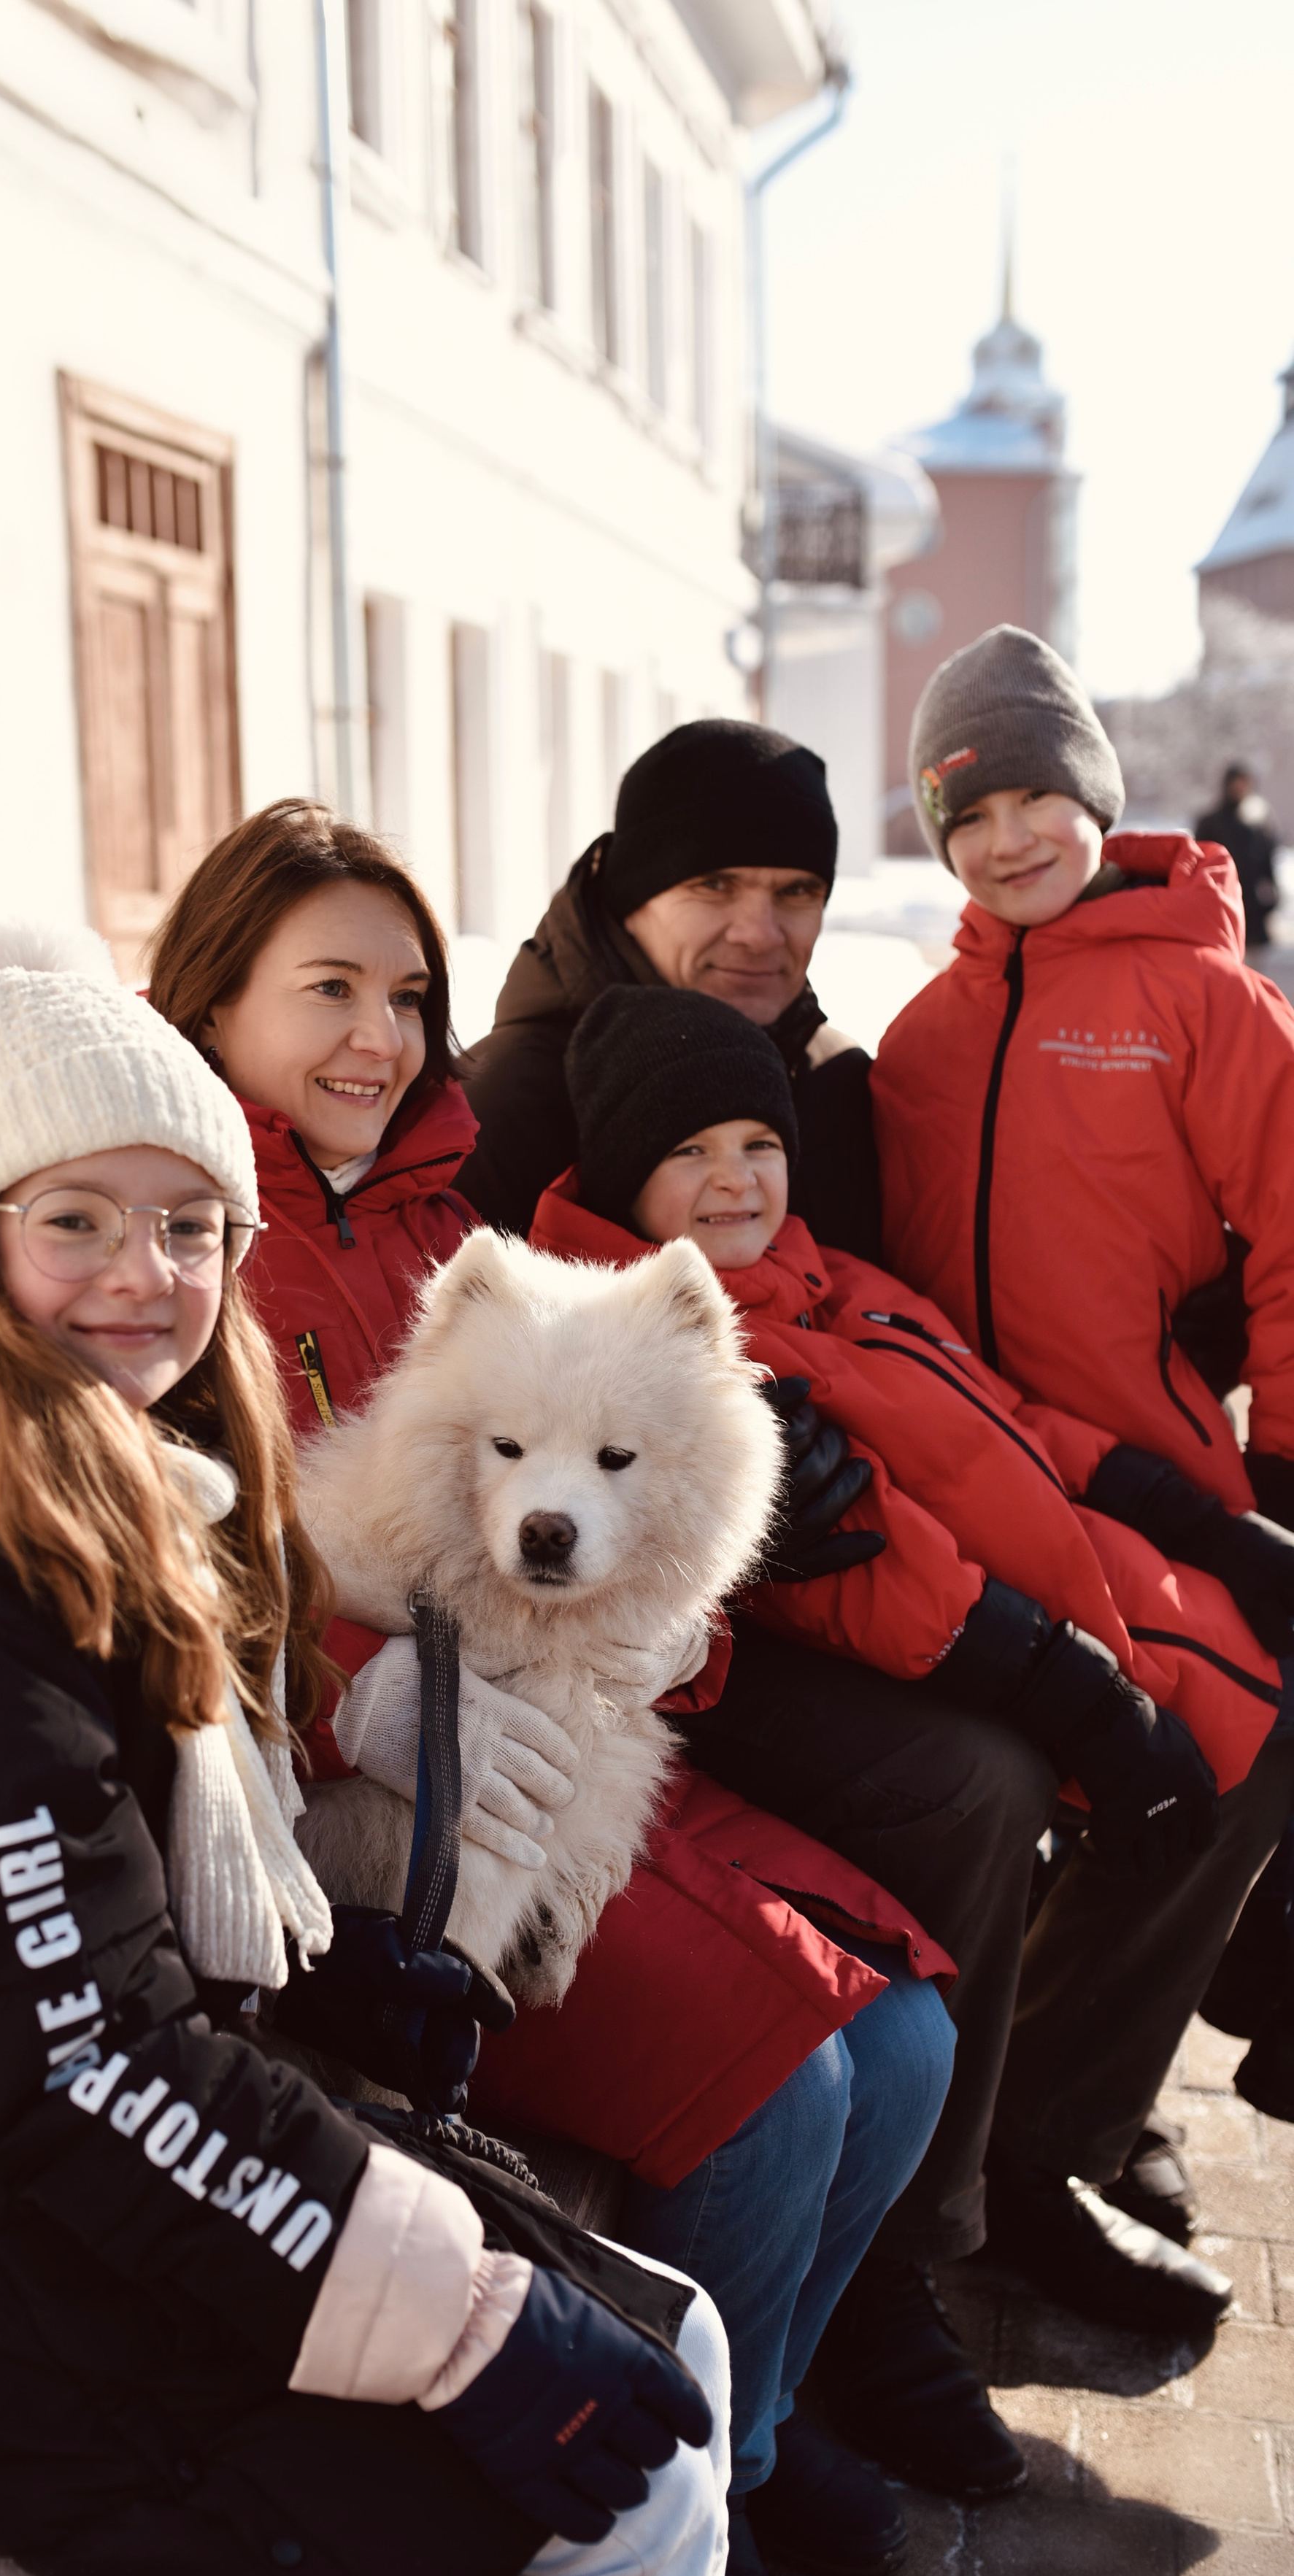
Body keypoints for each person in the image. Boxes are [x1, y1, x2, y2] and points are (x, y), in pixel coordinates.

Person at [0, 926, 816, 2576]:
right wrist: (466, 2327)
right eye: (77, 1221)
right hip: (12, 2300)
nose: (147, 1278)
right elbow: (73, 2073)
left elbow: (109, 1932)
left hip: (104, 2204)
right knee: (617, 2466)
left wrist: (327, 1972)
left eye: (192, 1225)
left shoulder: (108, 1482)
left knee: (670, 2334)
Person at [147, 803, 962, 2576]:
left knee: (902, 2031)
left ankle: (746, 2421)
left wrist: (679, 1640)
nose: (378, 1035)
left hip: (562, 1755)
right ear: (216, 1002)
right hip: (372, 1818)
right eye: (326, 988)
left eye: (407, 993)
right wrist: (350, 1682)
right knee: (779, 2090)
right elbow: (169, 1558)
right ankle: (693, 2505)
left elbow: (635, 1482)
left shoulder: (444, 1213)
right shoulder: (184, 1237)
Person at [544, 984, 1294, 2377]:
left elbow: (1017, 1419)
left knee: (1268, 1719)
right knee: (1130, 1767)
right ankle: (981, 2187)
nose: (734, 1178)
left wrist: (1211, 1523)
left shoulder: (831, 1275)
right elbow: (870, 1571)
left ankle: (1054, 2128)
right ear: (620, 1176)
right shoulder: (665, 1338)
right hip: (967, 1636)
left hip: (1073, 1593)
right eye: (689, 1151)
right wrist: (1078, 1692)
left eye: (756, 1142)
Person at [873, 629, 1294, 2130]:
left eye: (1028, 802)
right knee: (1096, 1775)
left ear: (1094, 798)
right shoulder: (918, 1042)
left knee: (1231, 1742)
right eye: (962, 817)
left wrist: (1278, 1447)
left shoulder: (1203, 1003)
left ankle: (1067, 2118)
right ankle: (1055, 2123)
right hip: (971, 1481)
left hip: (1156, 1488)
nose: (1001, 842)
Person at [457, 720, 881, 1257]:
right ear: (629, 900)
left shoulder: (835, 1080)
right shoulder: (504, 1104)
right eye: (714, 885)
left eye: (797, 891)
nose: (759, 934)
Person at [1195, 762, 1280, 954]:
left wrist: (1271, 896)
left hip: (1252, 907)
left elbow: (1267, 861)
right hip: (1220, 903)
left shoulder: (1258, 823)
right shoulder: (1211, 823)